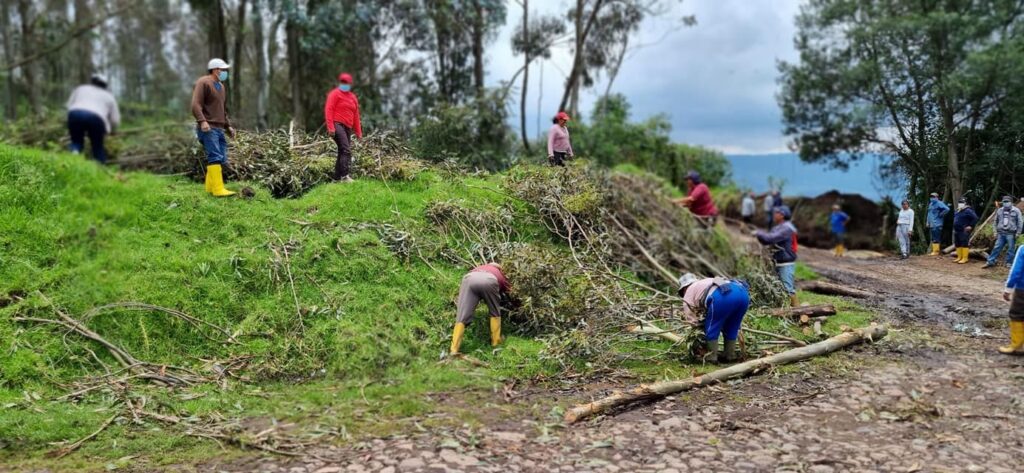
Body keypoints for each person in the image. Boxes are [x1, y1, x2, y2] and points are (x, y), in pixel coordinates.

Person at [678, 273, 750, 363]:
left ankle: (712, 356)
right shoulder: (707, 280)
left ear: (684, 288)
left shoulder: (689, 290)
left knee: (712, 326)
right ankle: (729, 355)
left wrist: (695, 325)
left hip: (723, 297)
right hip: (743, 293)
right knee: (732, 326)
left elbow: (690, 314)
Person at [191, 58, 236, 197]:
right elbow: (195, 104)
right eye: (223, 70)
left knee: (222, 157)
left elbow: (222, 109)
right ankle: (218, 190)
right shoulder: (203, 82)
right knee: (215, 156)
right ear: (216, 70)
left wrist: (228, 126)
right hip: (208, 128)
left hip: (219, 128)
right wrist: (202, 121)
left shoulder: (221, 86)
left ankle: (210, 188)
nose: (225, 72)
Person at [449, 263, 510, 356]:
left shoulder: (479, 267)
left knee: (462, 315)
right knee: (494, 311)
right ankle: (495, 342)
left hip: (469, 278)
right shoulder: (500, 274)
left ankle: (454, 349)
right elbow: (509, 290)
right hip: (489, 280)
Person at [66, 74, 120, 164]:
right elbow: (115, 119)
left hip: (75, 113)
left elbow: (69, 105)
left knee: (76, 141)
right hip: (97, 118)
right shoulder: (109, 97)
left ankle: (74, 154)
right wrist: (112, 130)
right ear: (105, 85)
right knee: (97, 146)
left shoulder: (81, 89)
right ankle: (100, 166)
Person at [754, 205, 799, 307]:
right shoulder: (778, 227)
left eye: (776, 213)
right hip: (778, 261)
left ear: (782, 215)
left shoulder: (787, 228)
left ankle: (797, 311)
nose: (774, 215)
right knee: (778, 287)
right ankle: (785, 309)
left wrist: (758, 233)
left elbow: (771, 238)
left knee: (787, 288)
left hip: (785, 262)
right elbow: (766, 241)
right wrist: (759, 235)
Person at [323, 72, 363, 182]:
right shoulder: (334, 94)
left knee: (342, 150)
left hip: (348, 127)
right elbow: (329, 110)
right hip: (337, 125)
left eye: (347, 83)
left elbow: (356, 116)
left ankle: (336, 178)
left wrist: (359, 133)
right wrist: (331, 128)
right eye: (343, 82)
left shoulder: (353, 97)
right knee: (346, 149)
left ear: (350, 84)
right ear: (340, 82)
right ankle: (345, 176)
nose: (345, 84)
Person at [984, 195, 1023, 268]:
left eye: (1007, 201)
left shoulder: (1016, 210)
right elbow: (995, 221)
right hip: (1001, 233)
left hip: (1011, 233)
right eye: (1004, 201)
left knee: (1011, 249)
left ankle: (1009, 263)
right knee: (996, 247)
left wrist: (1018, 233)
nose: (1006, 203)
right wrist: (995, 232)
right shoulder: (1000, 210)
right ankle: (990, 261)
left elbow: (1020, 222)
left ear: (1011, 202)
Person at [1000, 245, 1024, 354]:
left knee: (1017, 315)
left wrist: (1008, 288)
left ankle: (1017, 346)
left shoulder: (1023, 249)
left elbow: (1016, 271)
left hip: (1022, 289)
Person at [952, 198, 978, 264]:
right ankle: (959, 257)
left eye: (962, 202)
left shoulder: (968, 210)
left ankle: (965, 258)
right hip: (957, 230)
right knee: (957, 244)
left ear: (965, 203)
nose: (960, 204)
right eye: (959, 202)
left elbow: (975, 218)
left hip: (964, 230)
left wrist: (970, 226)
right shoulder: (958, 210)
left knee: (964, 243)